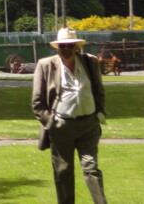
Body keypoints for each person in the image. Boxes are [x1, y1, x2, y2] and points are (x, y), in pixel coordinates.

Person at [32, 27, 107, 204]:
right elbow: (37, 101)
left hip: (89, 125)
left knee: (91, 168)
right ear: (57, 47)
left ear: (77, 47)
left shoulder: (90, 62)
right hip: (61, 126)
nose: (66, 49)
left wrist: (100, 113)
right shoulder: (46, 65)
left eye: (69, 46)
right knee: (63, 171)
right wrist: (50, 122)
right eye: (62, 46)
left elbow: (99, 89)